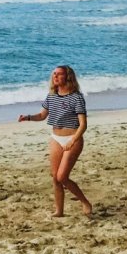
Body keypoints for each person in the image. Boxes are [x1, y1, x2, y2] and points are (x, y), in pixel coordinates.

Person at [18, 65, 93, 217]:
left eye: (59, 74)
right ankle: (59, 211)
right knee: (55, 177)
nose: (55, 77)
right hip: (56, 138)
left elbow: (83, 124)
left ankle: (85, 202)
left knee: (62, 177)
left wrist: (73, 140)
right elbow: (42, 115)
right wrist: (28, 117)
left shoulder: (76, 97)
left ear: (68, 77)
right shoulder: (51, 96)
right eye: (54, 74)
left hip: (73, 138)